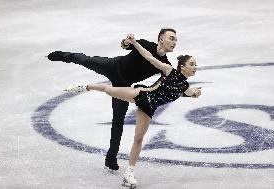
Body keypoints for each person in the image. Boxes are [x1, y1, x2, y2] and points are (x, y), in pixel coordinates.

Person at [65, 34, 201, 187]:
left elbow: (189, 92)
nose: (195, 67)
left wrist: (195, 92)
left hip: (149, 108)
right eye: (192, 64)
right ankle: (85, 86)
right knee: (110, 90)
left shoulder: (184, 87)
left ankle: (129, 173)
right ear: (183, 67)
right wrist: (135, 43)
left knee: (138, 139)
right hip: (142, 95)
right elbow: (150, 57)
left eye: (195, 64)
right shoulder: (169, 70)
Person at [47, 28, 178, 172]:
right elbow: (125, 45)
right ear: (161, 39)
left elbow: (159, 86)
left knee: (118, 121)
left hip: (123, 85)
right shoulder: (146, 45)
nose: (174, 42)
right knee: (84, 59)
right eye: (171, 38)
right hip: (112, 66)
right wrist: (126, 41)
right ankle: (65, 55)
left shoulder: (165, 65)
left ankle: (111, 157)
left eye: (175, 40)